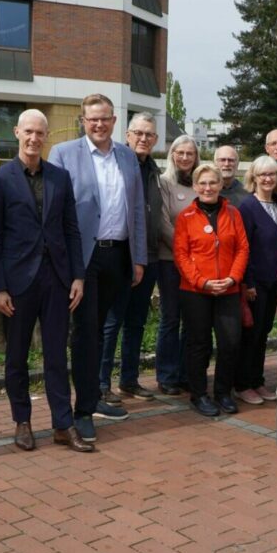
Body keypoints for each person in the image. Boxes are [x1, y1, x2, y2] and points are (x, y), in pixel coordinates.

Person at [0, 109, 92, 453]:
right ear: (17, 132)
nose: (34, 138)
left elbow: (71, 229)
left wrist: (77, 276)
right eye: (28, 131)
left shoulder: (60, 177)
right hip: (17, 284)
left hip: (57, 280)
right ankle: (23, 422)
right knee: (17, 357)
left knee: (57, 355)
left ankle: (63, 425)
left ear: (46, 137)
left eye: (40, 133)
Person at [47, 93, 147, 442]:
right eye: (92, 119)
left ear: (114, 120)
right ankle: (84, 410)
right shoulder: (64, 154)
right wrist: (69, 265)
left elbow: (135, 208)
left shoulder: (126, 156)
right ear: (82, 121)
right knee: (86, 333)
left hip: (118, 257)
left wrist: (138, 258)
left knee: (106, 330)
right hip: (83, 259)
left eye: (105, 118)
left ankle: (95, 395)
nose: (99, 124)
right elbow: (56, 212)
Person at [98, 113, 165, 403]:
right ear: (126, 135)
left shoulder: (153, 170)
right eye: (138, 133)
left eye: (149, 134)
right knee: (112, 322)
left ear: (156, 140)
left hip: (148, 257)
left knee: (136, 323)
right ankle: (101, 383)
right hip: (121, 256)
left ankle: (129, 380)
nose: (143, 138)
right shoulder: (117, 163)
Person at [173, 164, 250, 417]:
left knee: (230, 343)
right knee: (199, 344)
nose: (208, 188)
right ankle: (199, 395)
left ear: (220, 185)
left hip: (228, 289)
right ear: (195, 186)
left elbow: (242, 249)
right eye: (203, 183)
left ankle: (222, 393)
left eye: (212, 183)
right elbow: (181, 255)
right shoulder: (185, 217)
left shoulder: (233, 214)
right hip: (195, 291)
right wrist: (201, 282)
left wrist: (232, 278)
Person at [234, 156, 277, 405]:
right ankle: (242, 383)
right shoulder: (247, 207)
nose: (267, 179)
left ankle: (257, 380)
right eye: (263, 174)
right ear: (253, 177)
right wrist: (249, 282)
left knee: (264, 332)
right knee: (251, 333)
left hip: (274, 281)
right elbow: (243, 247)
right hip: (255, 283)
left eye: (272, 174)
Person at [156, 135, 200, 396]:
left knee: (192, 320)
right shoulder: (164, 183)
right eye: (180, 153)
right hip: (170, 261)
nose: (185, 158)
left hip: (197, 265)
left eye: (190, 154)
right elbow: (163, 224)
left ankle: (186, 373)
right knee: (170, 318)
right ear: (172, 154)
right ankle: (167, 374)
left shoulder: (200, 183)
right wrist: (187, 253)